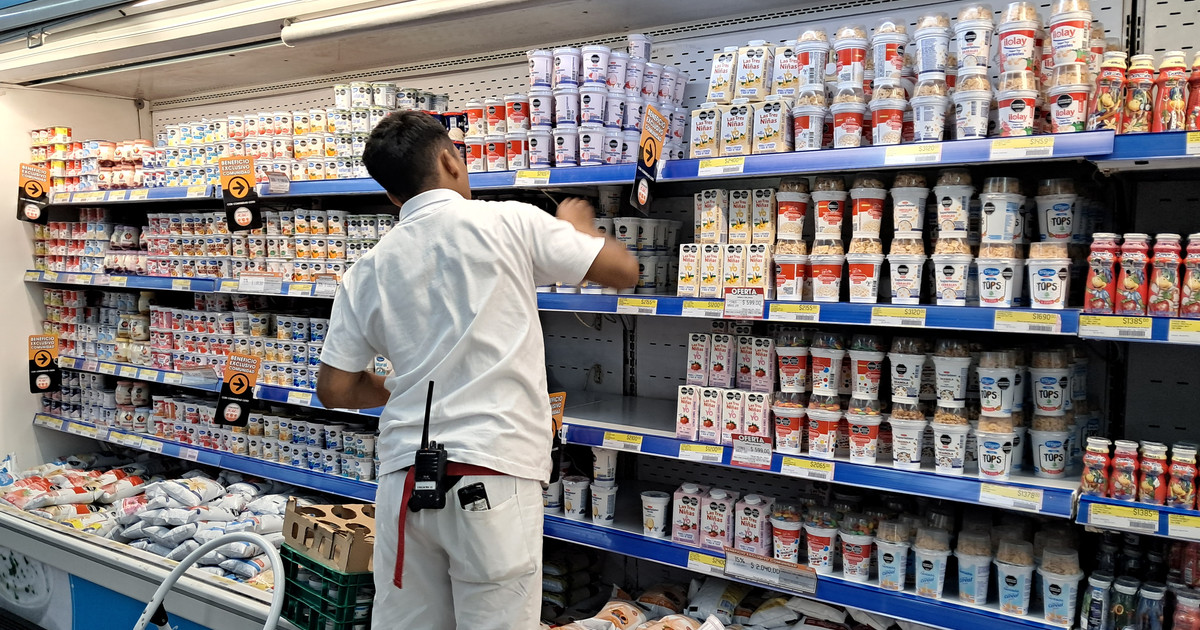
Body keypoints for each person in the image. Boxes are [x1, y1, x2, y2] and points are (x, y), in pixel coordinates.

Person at [316, 110, 638, 629]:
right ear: (450, 160)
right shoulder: (507, 221)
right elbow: (623, 270)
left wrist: (408, 385)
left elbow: (335, 388)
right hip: (494, 474)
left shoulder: (367, 268)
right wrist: (576, 228)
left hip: (404, 482)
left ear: (392, 195)